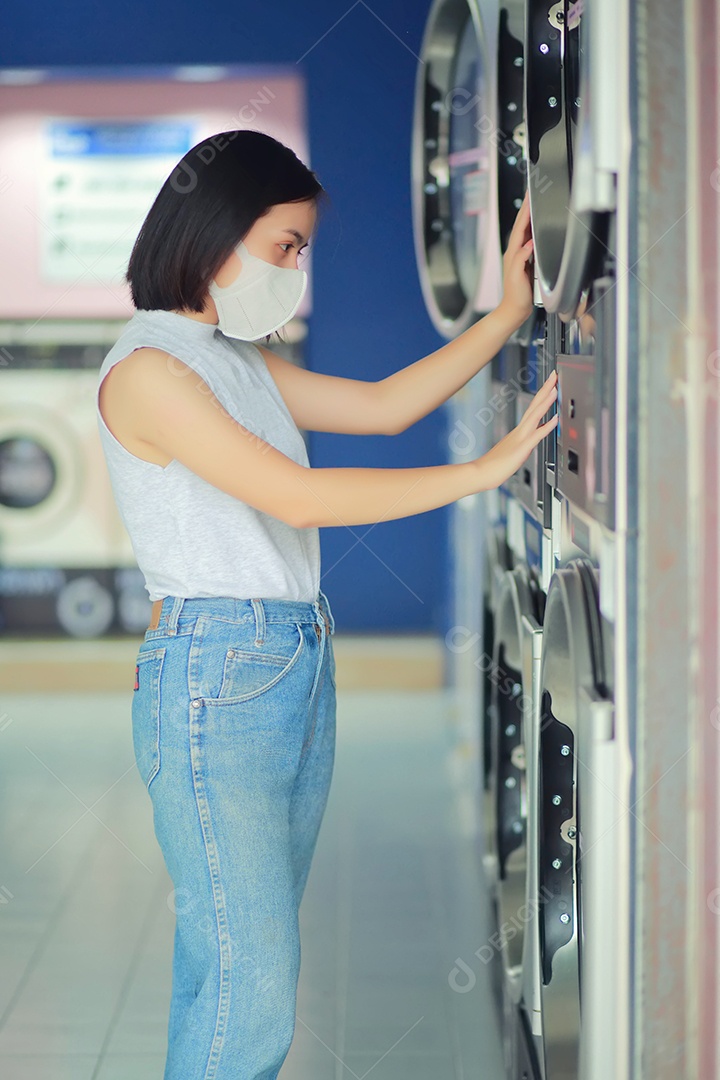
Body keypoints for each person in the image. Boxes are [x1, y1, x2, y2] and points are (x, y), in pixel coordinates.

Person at [95, 129, 557, 1080]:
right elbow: (298, 498)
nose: (297, 270)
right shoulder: (149, 369)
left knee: (238, 963)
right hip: (216, 675)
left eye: (303, 250)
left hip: (289, 662)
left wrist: (508, 313)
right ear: (215, 232)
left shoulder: (231, 360)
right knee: (251, 980)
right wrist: (477, 473)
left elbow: (386, 405)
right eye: (286, 246)